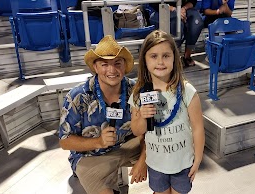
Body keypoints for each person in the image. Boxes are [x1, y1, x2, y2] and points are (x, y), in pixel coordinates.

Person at [59, 35, 147, 194]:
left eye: (117, 63)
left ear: (124, 66)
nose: (112, 70)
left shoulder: (135, 91)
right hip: (91, 157)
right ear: (95, 67)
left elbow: (149, 131)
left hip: (128, 146)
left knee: (164, 161)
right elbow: (65, 142)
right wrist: (99, 141)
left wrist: (143, 160)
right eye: (104, 64)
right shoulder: (77, 96)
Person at [128, 30, 205, 194]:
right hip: (156, 163)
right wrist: (142, 116)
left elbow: (198, 128)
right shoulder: (138, 94)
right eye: (154, 56)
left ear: (174, 58)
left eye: (166, 56)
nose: (160, 62)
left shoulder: (187, 91)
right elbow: (136, 130)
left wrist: (197, 159)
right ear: (145, 60)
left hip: (182, 162)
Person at [149, 1, 204, 67]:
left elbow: (192, 1)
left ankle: (187, 56)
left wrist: (183, 9)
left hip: (184, 9)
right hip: (163, 9)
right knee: (177, 24)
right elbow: (154, 3)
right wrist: (175, 9)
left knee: (197, 23)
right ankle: (172, 56)